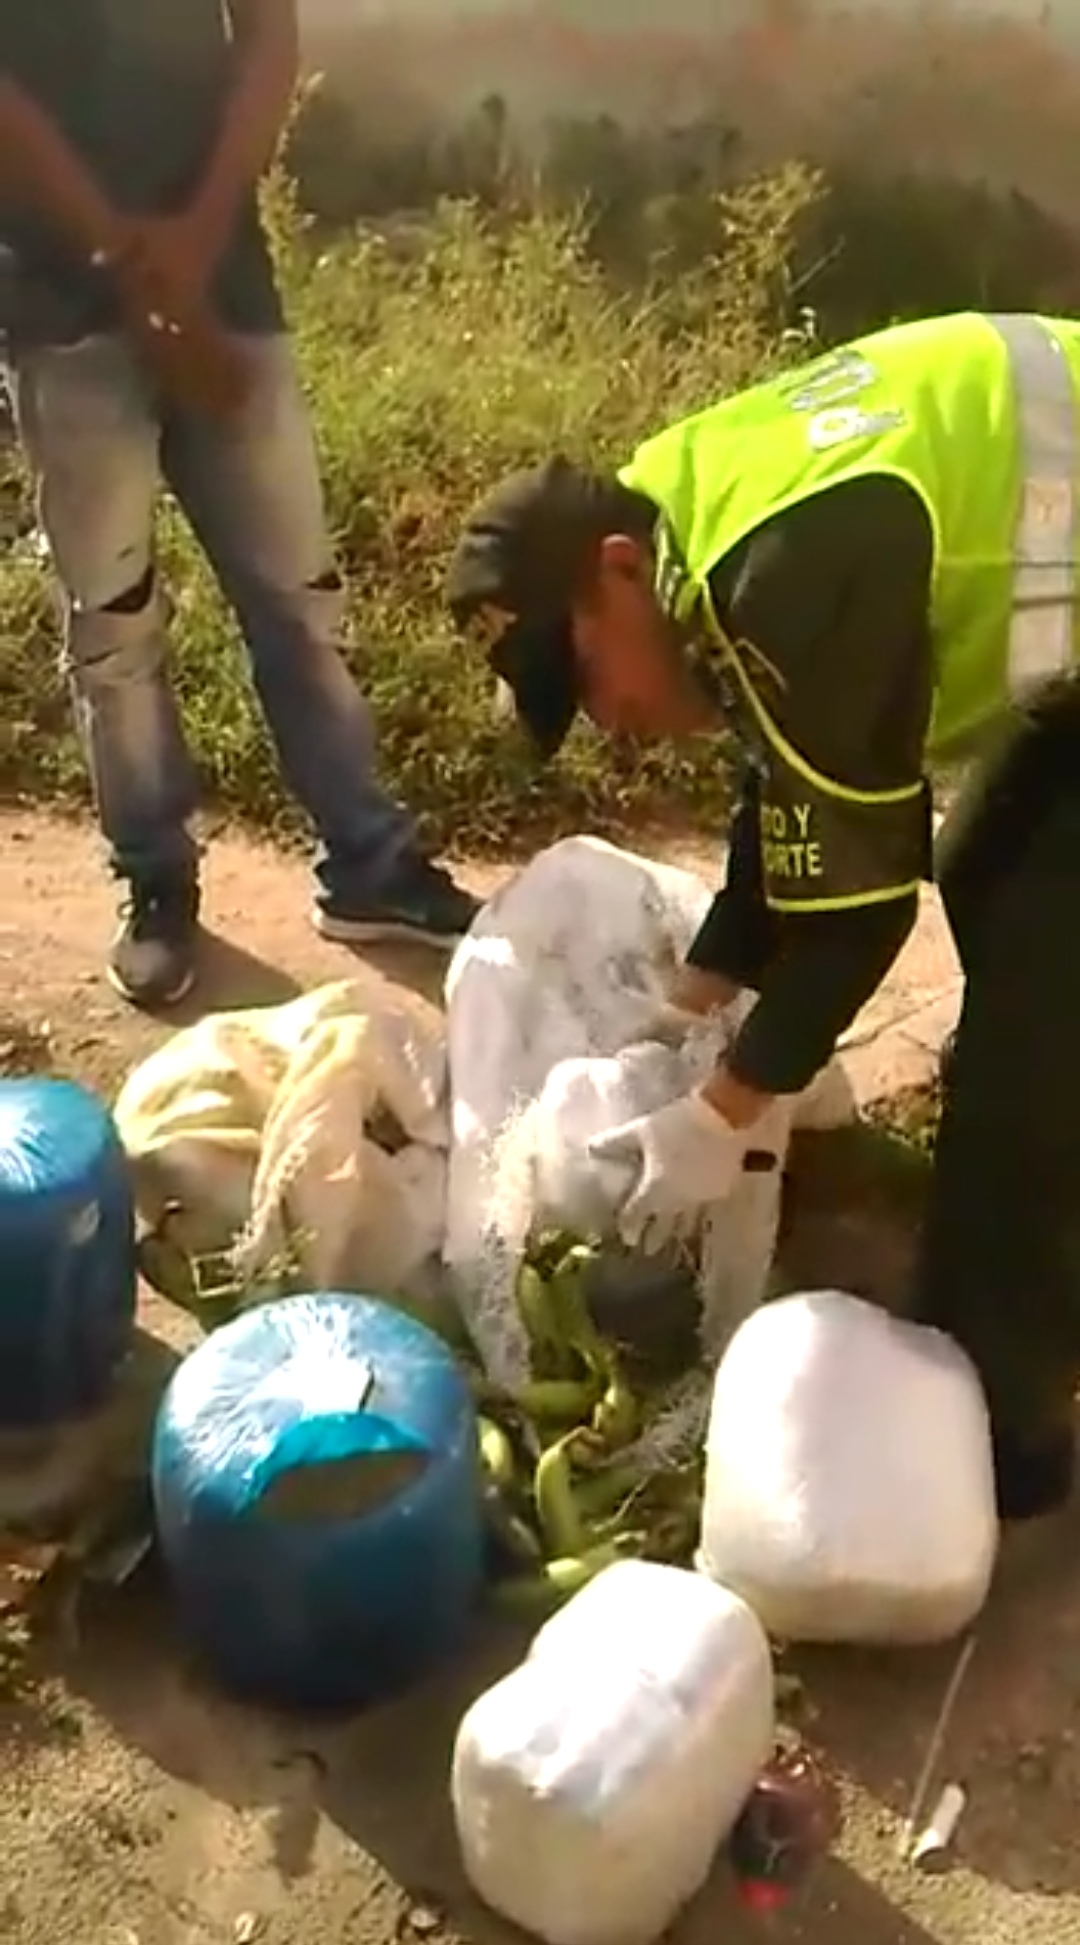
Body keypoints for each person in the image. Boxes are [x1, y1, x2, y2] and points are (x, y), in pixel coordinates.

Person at [445, 309, 1080, 1527]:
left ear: (616, 574)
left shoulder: (787, 572)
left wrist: (724, 1110)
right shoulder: (691, 519)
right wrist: (700, 993)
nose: (610, 719)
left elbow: (860, 917)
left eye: (586, 673)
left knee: (1035, 1019)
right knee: (988, 867)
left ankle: (1012, 1429)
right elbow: (783, 776)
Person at [0, 0, 478, 1010]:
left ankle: (370, 866)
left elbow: (268, 34)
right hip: (61, 310)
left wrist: (197, 239)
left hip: (225, 286)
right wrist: (127, 261)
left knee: (299, 594)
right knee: (113, 622)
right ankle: (156, 883)